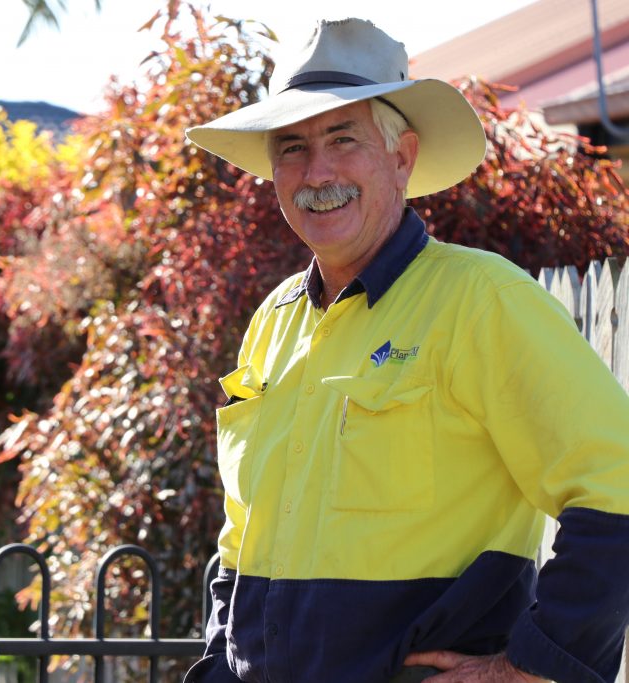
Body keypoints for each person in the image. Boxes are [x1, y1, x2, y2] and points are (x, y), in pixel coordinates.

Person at [182, 17, 629, 683]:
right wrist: (220, 663)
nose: (318, 171)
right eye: (293, 147)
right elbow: (241, 534)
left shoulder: (482, 301)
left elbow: (618, 482)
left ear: (402, 156)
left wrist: (535, 666)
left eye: (343, 139)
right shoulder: (273, 321)